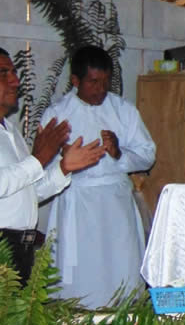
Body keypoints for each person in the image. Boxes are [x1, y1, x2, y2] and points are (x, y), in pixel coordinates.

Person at [43, 45, 156, 308]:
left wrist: (120, 153)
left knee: (120, 269)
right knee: (80, 277)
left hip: (115, 204)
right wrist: (65, 162)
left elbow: (147, 155)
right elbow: (41, 167)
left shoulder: (123, 110)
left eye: (105, 82)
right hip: (76, 203)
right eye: (93, 82)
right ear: (75, 81)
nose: (100, 90)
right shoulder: (57, 115)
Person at [0, 48, 104, 284]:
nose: (15, 81)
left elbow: (28, 193)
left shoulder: (10, 131)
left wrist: (63, 168)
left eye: (14, 73)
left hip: (21, 248)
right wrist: (38, 159)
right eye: (4, 73)